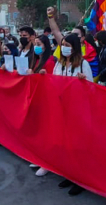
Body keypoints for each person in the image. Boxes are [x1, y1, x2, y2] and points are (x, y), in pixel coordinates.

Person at [31, 34, 94, 180]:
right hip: (60, 106)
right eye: (63, 45)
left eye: (67, 45)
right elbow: (54, 82)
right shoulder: (59, 64)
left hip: (77, 109)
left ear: (74, 47)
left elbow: (92, 89)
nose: (64, 48)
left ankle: (79, 175)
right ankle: (60, 167)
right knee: (59, 138)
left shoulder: (83, 64)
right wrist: (45, 76)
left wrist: (83, 81)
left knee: (76, 142)